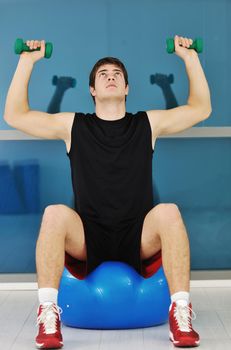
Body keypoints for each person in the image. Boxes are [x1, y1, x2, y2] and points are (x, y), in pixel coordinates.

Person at [4, 35, 212, 349]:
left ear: (127, 88)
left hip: (138, 235)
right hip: (88, 237)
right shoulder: (73, 126)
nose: (111, 77)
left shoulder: (147, 124)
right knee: (54, 213)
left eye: (117, 74)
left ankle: (180, 312)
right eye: (103, 75)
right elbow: (14, 116)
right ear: (92, 90)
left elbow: (201, 109)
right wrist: (26, 62)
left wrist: (189, 57)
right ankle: (48, 315)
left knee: (168, 211)